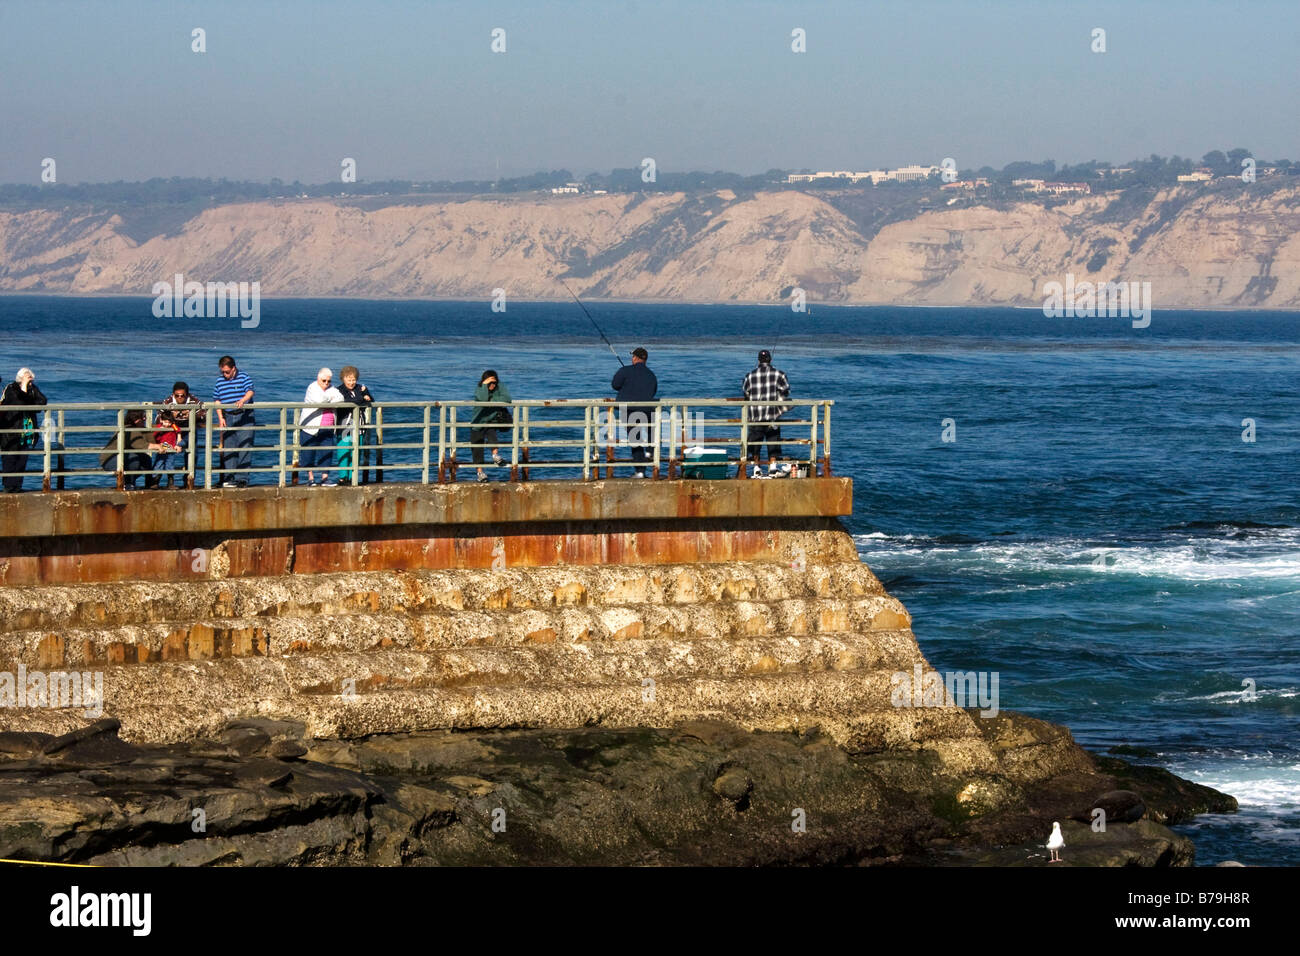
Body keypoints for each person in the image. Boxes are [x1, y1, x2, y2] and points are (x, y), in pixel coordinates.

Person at [742, 349, 792, 478]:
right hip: (772, 415)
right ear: (770, 359)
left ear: (758, 360)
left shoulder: (749, 375)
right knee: (773, 440)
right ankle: (773, 467)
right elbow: (785, 391)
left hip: (755, 415)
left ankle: (756, 468)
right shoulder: (779, 374)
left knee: (755, 442)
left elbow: (746, 393)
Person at [611, 347, 658, 478]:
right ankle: (650, 451)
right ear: (645, 360)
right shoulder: (651, 374)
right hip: (647, 409)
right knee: (651, 429)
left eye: (633, 357)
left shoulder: (625, 370)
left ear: (635, 358)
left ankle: (640, 471)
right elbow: (653, 390)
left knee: (635, 438)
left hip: (630, 410)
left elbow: (615, 385)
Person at [1, 368, 48, 492]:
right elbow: (18, 403)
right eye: (27, 378)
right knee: (10, 458)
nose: (30, 382)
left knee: (22, 459)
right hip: (11, 430)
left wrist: (28, 391)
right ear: (21, 378)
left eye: (30, 379)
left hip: (27, 431)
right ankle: (9, 486)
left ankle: (17, 486)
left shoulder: (33, 389)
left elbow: (42, 401)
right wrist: (24, 387)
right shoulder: (11, 388)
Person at [213, 356, 255, 488]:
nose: (224, 374)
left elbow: (250, 391)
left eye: (227, 372)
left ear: (233, 368)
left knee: (245, 445)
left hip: (244, 415)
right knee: (229, 448)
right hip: (228, 415)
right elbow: (217, 399)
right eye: (222, 372)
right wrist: (220, 417)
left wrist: (243, 400)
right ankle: (229, 477)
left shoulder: (243, 376)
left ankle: (242, 478)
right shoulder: (219, 381)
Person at [299, 368, 344, 486]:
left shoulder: (332, 388)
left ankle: (325, 478)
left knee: (327, 452)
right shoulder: (312, 387)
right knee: (308, 453)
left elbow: (341, 399)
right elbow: (319, 401)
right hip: (311, 427)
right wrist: (331, 399)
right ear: (318, 379)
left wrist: (329, 398)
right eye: (324, 381)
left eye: (328, 381)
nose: (326, 383)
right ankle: (310, 479)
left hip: (328, 427)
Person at [100, 408, 166, 489]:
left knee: (146, 459)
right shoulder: (128, 429)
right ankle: (128, 484)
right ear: (136, 420)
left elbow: (154, 443)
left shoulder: (143, 430)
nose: (145, 419)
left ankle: (149, 483)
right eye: (143, 417)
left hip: (128, 457)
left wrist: (165, 442)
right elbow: (140, 444)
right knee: (134, 460)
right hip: (111, 458)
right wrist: (157, 446)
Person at [468, 370, 512, 483]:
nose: (492, 385)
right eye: (489, 383)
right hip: (477, 422)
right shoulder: (480, 389)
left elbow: (507, 399)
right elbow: (482, 399)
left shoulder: (499, 387)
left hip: (490, 421)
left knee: (492, 434)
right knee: (477, 448)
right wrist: (484, 385)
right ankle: (480, 473)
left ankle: (495, 456)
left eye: (494, 383)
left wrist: (492, 399)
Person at [336, 366, 375, 485]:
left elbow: (370, 401)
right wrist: (362, 398)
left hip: (360, 425)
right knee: (344, 450)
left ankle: (353, 477)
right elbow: (348, 402)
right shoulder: (339, 390)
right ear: (343, 379)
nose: (352, 382)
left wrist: (365, 394)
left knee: (356, 451)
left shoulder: (360, 388)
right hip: (345, 425)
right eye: (349, 379)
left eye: (353, 379)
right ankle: (343, 477)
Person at [150, 410, 183, 488]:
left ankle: (170, 483)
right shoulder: (158, 427)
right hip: (162, 448)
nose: (167, 424)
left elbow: (178, 430)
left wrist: (178, 439)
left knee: (170, 465)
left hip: (170, 449)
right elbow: (153, 436)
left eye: (169, 422)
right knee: (159, 464)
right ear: (161, 420)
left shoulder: (173, 426)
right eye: (166, 422)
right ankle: (155, 482)